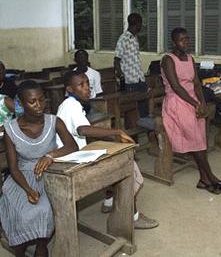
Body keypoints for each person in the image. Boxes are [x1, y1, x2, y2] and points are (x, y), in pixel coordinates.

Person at [56, 70, 158, 229]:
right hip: (73, 163)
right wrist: (118, 131)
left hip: (74, 156)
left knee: (113, 152)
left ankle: (110, 200)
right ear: (69, 89)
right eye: (81, 85)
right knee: (127, 164)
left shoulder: (68, 104)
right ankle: (133, 216)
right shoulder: (71, 105)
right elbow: (83, 130)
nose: (87, 88)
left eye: (88, 84)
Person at [0, 80, 78, 257]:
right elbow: (13, 167)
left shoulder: (53, 121)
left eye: (42, 100)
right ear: (20, 103)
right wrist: (28, 190)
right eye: (32, 101)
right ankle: (19, 248)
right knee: (18, 211)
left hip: (47, 174)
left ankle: (41, 247)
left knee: (43, 210)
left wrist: (50, 156)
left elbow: (72, 146)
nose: (39, 106)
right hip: (20, 178)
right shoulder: (11, 129)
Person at [161, 27, 221, 194]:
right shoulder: (168, 60)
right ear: (173, 42)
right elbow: (176, 87)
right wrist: (195, 103)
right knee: (196, 141)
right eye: (181, 39)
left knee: (200, 139)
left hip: (193, 100)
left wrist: (203, 103)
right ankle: (211, 177)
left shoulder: (190, 58)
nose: (185, 42)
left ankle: (203, 179)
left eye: (187, 39)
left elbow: (197, 83)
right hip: (176, 102)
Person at [114, 13, 149, 125]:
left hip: (139, 78)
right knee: (132, 110)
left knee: (144, 108)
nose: (141, 27)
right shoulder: (124, 38)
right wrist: (122, 77)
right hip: (130, 80)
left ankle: (145, 128)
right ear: (137, 24)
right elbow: (116, 60)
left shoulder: (134, 38)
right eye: (141, 24)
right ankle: (133, 133)